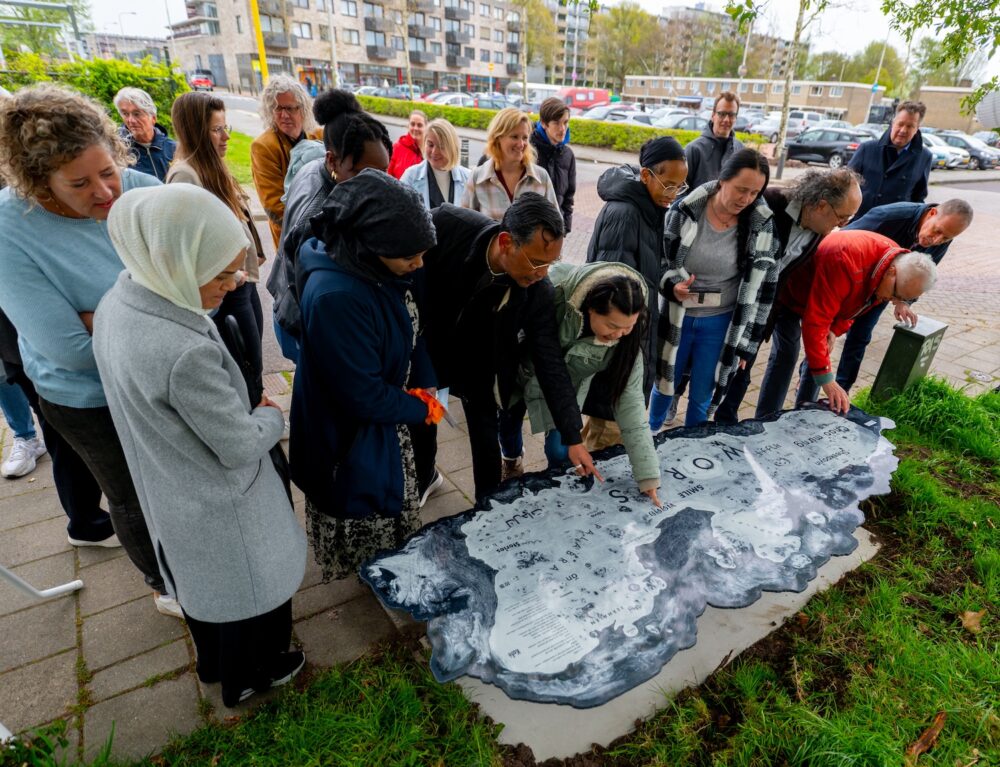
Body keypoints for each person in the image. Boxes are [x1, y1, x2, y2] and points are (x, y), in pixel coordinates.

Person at [94, 184, 307, 708]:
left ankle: (215, 666)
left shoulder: (123, 297)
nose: (236, 284)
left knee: (205, 590)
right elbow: (237, 445)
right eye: (220, 273)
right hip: (218, 498)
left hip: (169, 483)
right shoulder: (183, 351)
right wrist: (268, 416)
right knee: (248, 593)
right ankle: (255, 676)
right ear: (175, 260)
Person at [0, 84, 175, 615]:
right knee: (130, 493)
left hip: (159, 374)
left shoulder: (139, 187)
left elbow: (201, 283)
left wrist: (101, 315)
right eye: (79, 183)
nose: (105, 193)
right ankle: (163, 584)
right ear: (37, 184)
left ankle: (186, 559)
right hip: (84, 395)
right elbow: (69, 349)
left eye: (109, 171)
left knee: (173, 481)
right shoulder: (10, 228)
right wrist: (158, 304)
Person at [289, 170, 442, 582]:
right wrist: (419, 407)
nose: (419, 263)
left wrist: (423, 381)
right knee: (365, 513)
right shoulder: (337, 296)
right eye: (410, 255)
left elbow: (413, 328)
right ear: (372, 243)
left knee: (391, 499)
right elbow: (360, 394)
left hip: (385, 420)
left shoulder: (381, 269)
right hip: (351, 437)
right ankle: (374, 576)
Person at [421, 193, 598, 502]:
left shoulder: (538, 290)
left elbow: (550, 361)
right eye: (536, 261)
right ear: (505, 242)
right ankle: (425, 476)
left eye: (551, 264)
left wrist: (573, 436)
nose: (543, 273)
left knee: (487, 438)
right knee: (422, 418)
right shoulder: (446, 224)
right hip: (430, 344)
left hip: (483, 362)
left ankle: (487, 509)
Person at [714, 168, 864, 423]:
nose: (843, 225)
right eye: (842, 217)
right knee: (712, 371)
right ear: (820, 205)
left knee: (741, 374)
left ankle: (724, 427)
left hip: (761, 315)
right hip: (727, 306)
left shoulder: (818, 229)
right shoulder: (770, 204)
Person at [650, 149, 780, 429]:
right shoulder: (684, 211)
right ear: (722, 180)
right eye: (741, 190)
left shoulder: (763, 225)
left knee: (702, 395)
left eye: (755, 192)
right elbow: (659, 260)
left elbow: (766, 291)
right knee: (663, 383)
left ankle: (695, 445)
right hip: (678, 316)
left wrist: (749, 344)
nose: (746, 199)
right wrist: (671, 285)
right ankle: (650, 435)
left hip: (721, 322)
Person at [516, 261, 661, 506]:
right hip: (524, 368)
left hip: (568, 387)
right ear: (591, 308)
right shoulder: (554, 296)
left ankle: (557, 484)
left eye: (629, 327)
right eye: (612, 326)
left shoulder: (628, 338)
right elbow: (547, 366)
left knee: (560, 449)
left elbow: (631, 405)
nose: (618, 335)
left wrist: (647, 476)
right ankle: (511, 457)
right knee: (509, 424)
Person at [755, 230, 937, 418]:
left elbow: (855, 305)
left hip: (826, 296)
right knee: (786, 354)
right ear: (891, 272)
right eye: (895, 295)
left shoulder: (890, 266)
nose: (891, 301)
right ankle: (766, 419)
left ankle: (805, 416)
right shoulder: (846, 260)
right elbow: (816, 321)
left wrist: (834, 331)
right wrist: (827, 379)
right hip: (792, 293)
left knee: (821, 351)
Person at [269, 89, 393, 364]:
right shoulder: (319, 215)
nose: (380, 183)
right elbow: (317, 297)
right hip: (301, 324)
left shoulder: (326, 171)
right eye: (365, 174)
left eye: (384, 172)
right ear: (332, 160)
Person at [582, 137, 687, 449]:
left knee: (603, 431)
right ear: (645, 176)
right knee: (610, 436)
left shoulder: (648, 208)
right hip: (619, 345)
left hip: (632, 339)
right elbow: (611, 295)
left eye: (680, 187)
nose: (673, 195)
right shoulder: (626, 214)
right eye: (668, 185)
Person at [167, 91, 266, 399]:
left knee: (253, 359)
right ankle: (253, 422)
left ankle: (258, 404)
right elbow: (186, 246)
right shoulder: (185, 174)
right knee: (242, 364)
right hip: (228, 290)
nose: (225, 137)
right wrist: (230, 276)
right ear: (196, 131)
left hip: (243, 282)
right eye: (216, 129)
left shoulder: (213, 164)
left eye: (226, 128)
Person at [833, 198, 973, 393]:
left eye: (946, 238)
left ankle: (841, 392)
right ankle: (808, 386)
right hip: (850, 285)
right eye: (937, 231)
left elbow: (922, 273)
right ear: (932, 213)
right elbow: (840, 243)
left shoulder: (944, 236)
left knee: (860, 337)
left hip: (883, 293)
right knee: (826, 334)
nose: (937, 240)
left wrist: (904, 301)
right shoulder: (888, 217)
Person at [0, 308, 107, 535]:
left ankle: (86, 521)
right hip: (36, 348)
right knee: (65, 432)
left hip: (35, 344)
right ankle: (87, 523)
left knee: (63, 431)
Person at [251, 75, 318, 248]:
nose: (283, 115)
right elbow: (273, 205)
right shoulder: (263, 147)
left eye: (289, 108)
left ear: (302, 109)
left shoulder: (319, 135)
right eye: (277, 109)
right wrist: (311, 229)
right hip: (291, 237)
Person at [461, 107, 559, 221]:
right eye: (514, 137)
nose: (521, 144)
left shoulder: (542, 178)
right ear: (498, 138)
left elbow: (556, 227)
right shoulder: (477, 178)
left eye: (525, 137)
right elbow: (464, 227)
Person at [848, 100, 933, 217]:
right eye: (900, 124)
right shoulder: (867, 149)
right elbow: (847, 184)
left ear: (917, 128)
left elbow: (918, 198)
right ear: (893, 122)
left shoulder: (924, 157)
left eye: (910, 126)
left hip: (895, 225)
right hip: (860, 220)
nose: (903, 130)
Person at [400, 118, 471, 209]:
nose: (434, 152)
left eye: (441, 146)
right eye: (430, 145)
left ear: (452, 148)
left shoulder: (468, 177)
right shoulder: (411, 176)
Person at [530, 97, 576, 232]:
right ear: (544, 123)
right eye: (556, 123)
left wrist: (565, 228)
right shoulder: (528, 150)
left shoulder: (568, 155)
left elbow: (568, 197)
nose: (563, 129)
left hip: (555, 230)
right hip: (530, 230)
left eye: (566, 122)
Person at [113, 87, 176, 182]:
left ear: (153, 118)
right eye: (125, 114)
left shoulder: (173, 149)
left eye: (137, 114)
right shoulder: (117, 150)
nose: (131, 120)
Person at [684, 91, 744, 189]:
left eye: (731, 115)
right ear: (713, 116)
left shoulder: (741, 150)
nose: (726, 120)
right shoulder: (693, 150)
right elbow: (679, 191)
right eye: (722, 114)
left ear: (736, 118)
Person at [387, 109, 426, 179]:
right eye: (412, 124)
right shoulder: (397, 147)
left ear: (425, 127)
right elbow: (387, 174)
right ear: (408, 126)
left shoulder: (430, 150)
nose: (415, 128)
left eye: (419, 125)